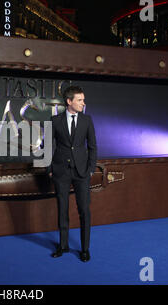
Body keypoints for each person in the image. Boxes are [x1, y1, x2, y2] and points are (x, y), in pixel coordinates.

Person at [48, 85, 97, 262]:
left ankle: (85, 249)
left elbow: (92, 146)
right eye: (80, 100)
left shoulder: (87, 120)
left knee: (84, 210)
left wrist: (91, 169)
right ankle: (63, 246)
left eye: (83, 100)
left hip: (82, 172)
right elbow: (46, 147)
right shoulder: (54, 120)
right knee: (62, 209)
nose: (83, 103)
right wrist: (49, 169)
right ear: (69, 101)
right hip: (60, 171)